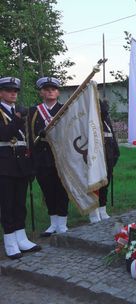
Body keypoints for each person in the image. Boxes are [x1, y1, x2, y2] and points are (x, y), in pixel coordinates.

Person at [0, 77, 41, 259]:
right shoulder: (12, 113)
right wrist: (17, 119)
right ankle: (10, 241)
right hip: (4, 165)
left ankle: (21, 238)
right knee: (7, 205)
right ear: (1, 93)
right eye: (9, 90)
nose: (13, 93)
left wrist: (30, 165)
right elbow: (4, 134)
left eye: (15, 91)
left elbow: (26, 140)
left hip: (21, 165)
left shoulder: (19, 111)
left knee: (19, 204)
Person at [28, 77, 70, 237]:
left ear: (58, 92)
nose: (50, 91)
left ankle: (62, 224)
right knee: (48, 190)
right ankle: (53, 223)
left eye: (53, 89)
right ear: (41, 93)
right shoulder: (34, 111)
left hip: (61, 157)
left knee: (62, 190)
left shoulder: (65, 108)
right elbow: (29, 135)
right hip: (42, 157)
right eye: (46, 89)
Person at [88, 99, 120, 223]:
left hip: (108, 156)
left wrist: (116, 153)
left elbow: (111, 137)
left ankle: (102, 208)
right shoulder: (90, 121)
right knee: (95, 183)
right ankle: (93, 211)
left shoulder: (106, 120)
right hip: (95, 157)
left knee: (105, 183)